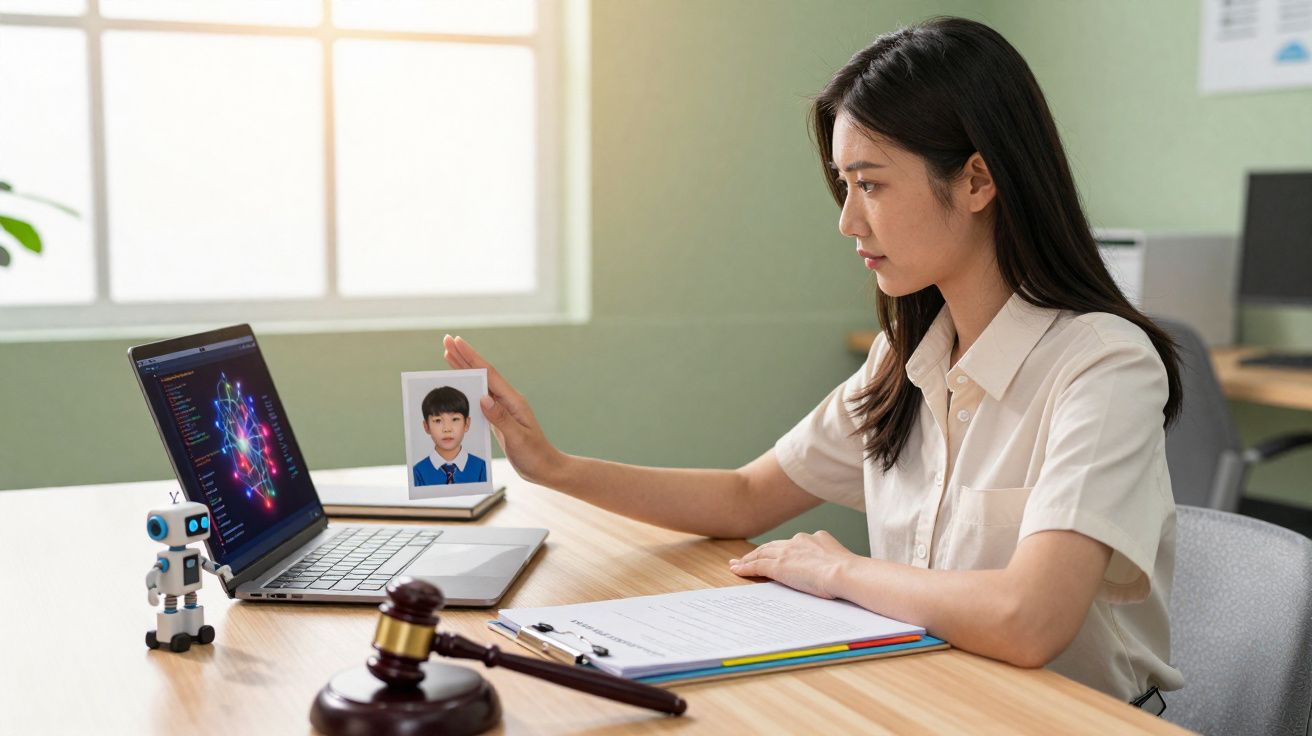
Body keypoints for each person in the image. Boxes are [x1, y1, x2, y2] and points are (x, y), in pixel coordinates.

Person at [441, 16, 1183, 706]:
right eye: (845, 185)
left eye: (870, 184)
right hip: (939, 700)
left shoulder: (1104, 367)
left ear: (978, 180)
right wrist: (555, 467)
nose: (847, 220)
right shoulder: (909, 357)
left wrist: (841, 573)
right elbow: (743, 497)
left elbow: (1028, 620)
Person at [412, 385, 488, 486]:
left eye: (455, 419)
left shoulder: (481, 468)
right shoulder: (418, 472)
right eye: (438, 420)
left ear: (467, 424)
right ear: (426, 427)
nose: (447, 429)